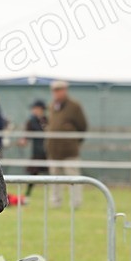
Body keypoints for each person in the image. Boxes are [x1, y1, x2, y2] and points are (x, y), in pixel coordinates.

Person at [45, 80, 87, 208]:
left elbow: (82, 126)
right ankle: (55, 202)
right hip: (54, 150)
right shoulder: (52, 105)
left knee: (73, 177)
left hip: (69, 151)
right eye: (54, 90)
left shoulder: (75, 106)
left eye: (59, 90)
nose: (56, 93)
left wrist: (73, 140)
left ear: (65, 90)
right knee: (54, 178)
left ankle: (76, 203)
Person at [18, 100, 49, 197]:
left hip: (48, 152)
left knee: (51, 173)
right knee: (33, 173)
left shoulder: (47, 120)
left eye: (35, 108)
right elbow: (26, 134)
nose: (33, 111)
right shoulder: (31, 121)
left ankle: (52, 195)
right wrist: (23, 140)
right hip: (37, 152)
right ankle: (28, 194)